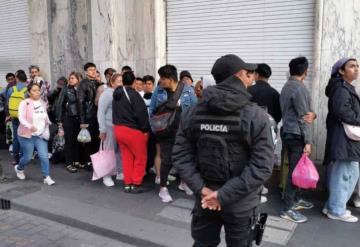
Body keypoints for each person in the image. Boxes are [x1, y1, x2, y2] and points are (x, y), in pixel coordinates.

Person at [172, 54, 274, 247]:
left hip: (205, 198)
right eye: (248, 73)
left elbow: (180, 156)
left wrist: (203, 190)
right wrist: (220, 195)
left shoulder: (193, 112)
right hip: (240, 204)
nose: (251, 78)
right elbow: (262, 166)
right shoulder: (257, 116)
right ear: (238, 75)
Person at [280, 57, 316, 223]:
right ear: (305, 72)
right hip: (296, 134)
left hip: (287, 131)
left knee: (296, 169)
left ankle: (295, 200)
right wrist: (308, 141)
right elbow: (305, 118)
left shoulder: (286, 86)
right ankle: (287, 208)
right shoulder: (300, 88)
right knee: (296, 172)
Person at [323, 58, 360, 222]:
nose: (357, 69)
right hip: (343, 139)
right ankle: (336, 210)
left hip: (344, 139)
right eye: (352, 66)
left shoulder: (344, 87)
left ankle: (331, 206)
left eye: (357, 66)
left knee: (345, 173)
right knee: (345, 174)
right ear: (341, 71)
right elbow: (342, 112)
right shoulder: (341, 88)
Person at [153, 65, 197, 202]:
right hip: (165, 132)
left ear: (171, 79)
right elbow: (152, 111)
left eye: (163, 78)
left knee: (185, 159)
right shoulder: (159, 91)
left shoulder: (187, 90)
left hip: (184, 132)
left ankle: (184, 183)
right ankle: (162, 189)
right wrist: (155, 128)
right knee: (167, 160)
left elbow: (194, 111)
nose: (160, 80)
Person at [113, 71, 150, 193]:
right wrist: (145, 129)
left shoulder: (116, 94)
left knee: (127, 158)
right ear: (134, 82)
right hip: (132, 131)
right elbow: (142, 114)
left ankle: (127, 184)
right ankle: (136, 183)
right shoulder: (134, 95)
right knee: (141, 157)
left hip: (118, 130)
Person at [14, 83, 55, 185]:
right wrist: (29, 126)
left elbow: (45, 116)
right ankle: (19, 168)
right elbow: (21, 117)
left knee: (44, 156)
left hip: (40, 135)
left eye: (38, 90)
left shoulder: (43, 102)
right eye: (34, 90)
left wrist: (48, 123)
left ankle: (46, 177)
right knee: (27, 157)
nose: (37, 92)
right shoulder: (24, 103)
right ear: (29, 92)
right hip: (26, 135)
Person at [98, 73, 124, 186]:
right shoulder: (107, 94)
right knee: (109, 151)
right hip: (109, 127)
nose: (121, 84)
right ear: (112, 83)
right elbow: (101, 112)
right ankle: (106, 176)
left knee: (119, 151)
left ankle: (119, 171)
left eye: (122, 81)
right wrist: (102, 129)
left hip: (120, 126)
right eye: (119, 81)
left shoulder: (121, 93)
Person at [56, 72, 83, 173]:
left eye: (73, 78)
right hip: (68, 118)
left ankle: (76, 161)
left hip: (78, 119)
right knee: (69, 141)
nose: (71, 80)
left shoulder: (80, 90)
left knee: (77, 141)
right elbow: (59, 104)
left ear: (78, 80)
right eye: (70, 78)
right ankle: (69, 163)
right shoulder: (65, 89)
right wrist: (59, 120)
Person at [77, 62, 102, 169]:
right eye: (91, 69)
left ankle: (97, 161)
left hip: (99, 115)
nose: (93, 71)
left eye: (94, 69)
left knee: (98, 139)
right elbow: (80, 102)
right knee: (89, 140)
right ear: (86, 72)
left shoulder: (98, 83)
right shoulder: (83, 84)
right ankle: (89, 161)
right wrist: (83, 121)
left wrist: (99, 83)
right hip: (89, 115)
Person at [6, 70, 28, 165]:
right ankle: (24, 157)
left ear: (17, 78)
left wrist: (9, 114)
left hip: (14, 115)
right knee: (24, 137)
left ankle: (16, 159)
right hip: (25, 117)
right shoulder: (28, 89)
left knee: (16, 137)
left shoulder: (11, 89)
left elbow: (8, 102)